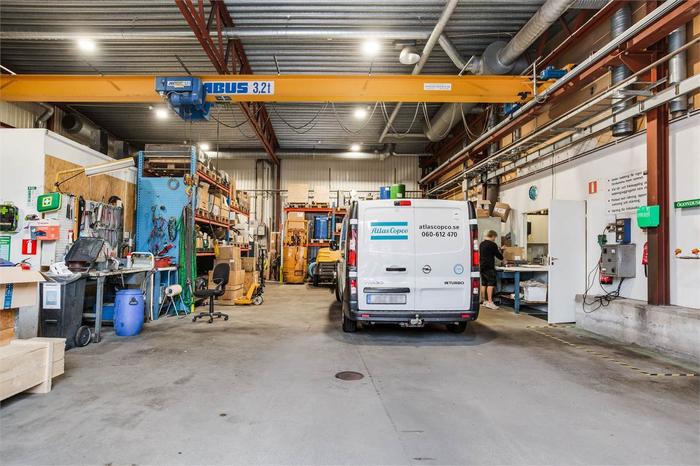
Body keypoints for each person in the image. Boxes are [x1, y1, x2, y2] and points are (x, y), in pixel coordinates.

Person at [479, 230, 503, 309]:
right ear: (492, 236)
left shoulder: (482, 244)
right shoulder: (492, 244)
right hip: (489, 267)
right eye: (495, 237)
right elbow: (498, 255)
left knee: (484, 284)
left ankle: (484, 301)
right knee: (491, 284)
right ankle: (490, 302)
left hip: (482, 266)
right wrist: (503, 258)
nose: (495, 239)